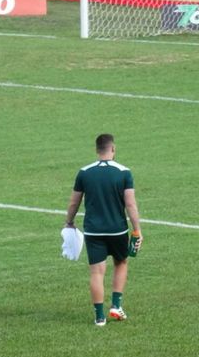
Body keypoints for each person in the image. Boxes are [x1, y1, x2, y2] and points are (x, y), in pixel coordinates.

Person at [64, 134, 143, 326]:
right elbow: (130, 204)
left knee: (97, 272)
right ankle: (116, 305)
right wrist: (137, 230)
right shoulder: (124, 172)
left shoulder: (84, 172)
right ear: (113, 149)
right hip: (117, 230)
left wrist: (69, 222)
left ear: (97, 150)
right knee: (121, 262)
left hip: (93, 231)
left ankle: (99, 317)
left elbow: (74, 202)